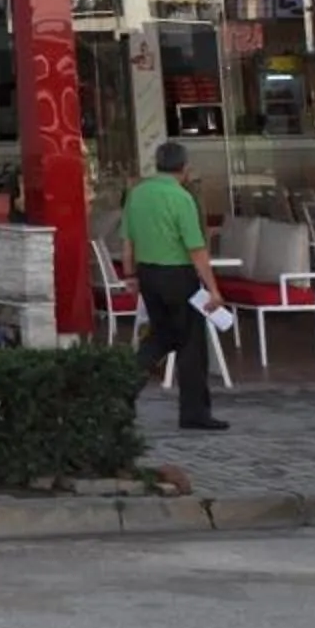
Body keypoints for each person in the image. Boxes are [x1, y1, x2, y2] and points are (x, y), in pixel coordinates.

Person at [125, 140, 229, 432]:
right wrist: (213, 289)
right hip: (178, 275)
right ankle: (194, 413)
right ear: (184, 168)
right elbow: (196, 249)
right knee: (191, 344)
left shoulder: (137, 194)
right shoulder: (181, 198)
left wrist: (131, 274)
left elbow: (128, 240)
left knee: (162, 335)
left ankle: (122, 388)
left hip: (148, 274)